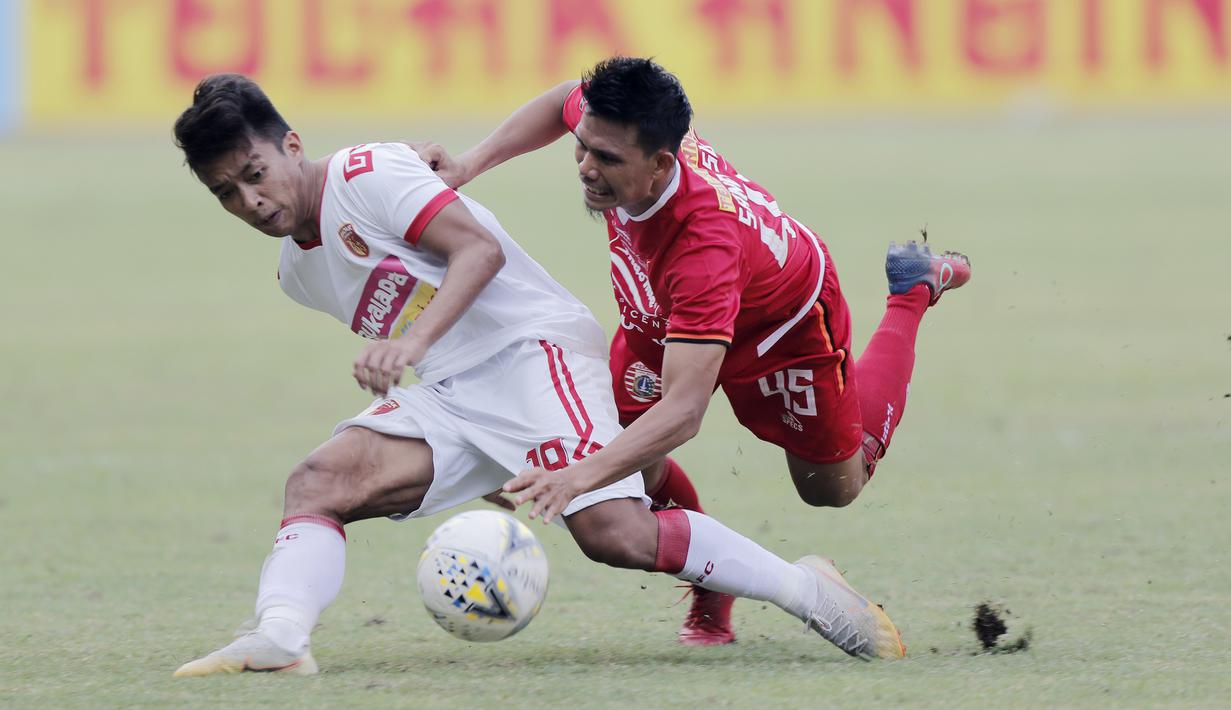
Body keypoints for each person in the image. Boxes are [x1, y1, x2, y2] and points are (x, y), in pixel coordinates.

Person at [169, 74, 905, 677]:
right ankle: (281, 639)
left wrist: (412, 343)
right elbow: (564, 101)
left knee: (615, 529)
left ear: (291, 145)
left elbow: (478, 252)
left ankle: (808, 591)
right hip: (460, 391)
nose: (251, 201)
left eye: (255, 174)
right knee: (317, 484)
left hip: (539, 354)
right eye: (226, 192)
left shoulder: (368, 174)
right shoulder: (296, 272)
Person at [417, 56, 971, 646]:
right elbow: (564, 100)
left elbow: (682, 413)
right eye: (582, 149)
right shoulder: (621, 130)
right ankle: (713, 591)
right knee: (635, 462)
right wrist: (467, 164)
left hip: (781, 325)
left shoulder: (702, 246)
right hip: (663, 317)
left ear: (660, 165)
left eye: (606, 160)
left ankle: (911, 289)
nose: (586, 168)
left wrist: (578, 477)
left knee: (832, 488)